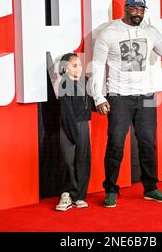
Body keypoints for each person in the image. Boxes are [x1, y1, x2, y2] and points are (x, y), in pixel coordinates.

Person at [90, 0, 162, 208]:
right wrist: (98, 96)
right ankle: (111, 190)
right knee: (115, 143)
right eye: (134, 9)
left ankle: (150, 188)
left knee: (147, 142)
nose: (138, 13)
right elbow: (97, 66)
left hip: (146, 95)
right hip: (118, 95)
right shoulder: (109, 33)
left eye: (142, 10)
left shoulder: (150, 31)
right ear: (126, 8)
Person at [55, 53, 95, 211]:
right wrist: (74, 133)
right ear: (65, 68)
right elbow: (66, 113)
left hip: (83, 125)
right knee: (68, 160)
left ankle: (80, 195)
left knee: (82, 160)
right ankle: (67, 193)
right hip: (68, 126)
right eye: (74, 65)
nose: (79, 68)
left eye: (80, 65)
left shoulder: (85, 82)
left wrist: (102, 106)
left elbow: (90, 103)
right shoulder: (64, 84)